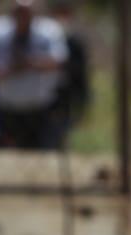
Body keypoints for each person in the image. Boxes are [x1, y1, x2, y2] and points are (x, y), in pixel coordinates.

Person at [0, 0, 68, 150]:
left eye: (26, 13)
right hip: (5, 108)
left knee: (39, 153)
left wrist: (27, 64)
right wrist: (11, 69)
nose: (22, 17)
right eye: (19, 13)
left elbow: (58, 61)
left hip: (40, 108)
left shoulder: (49, 31)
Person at [49, 0, 91, 136]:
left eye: (65, 13)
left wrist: (82, 100)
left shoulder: (75, 42)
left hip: (67, 95)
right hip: (46, 95)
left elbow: (81, 74)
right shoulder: (45, 38)